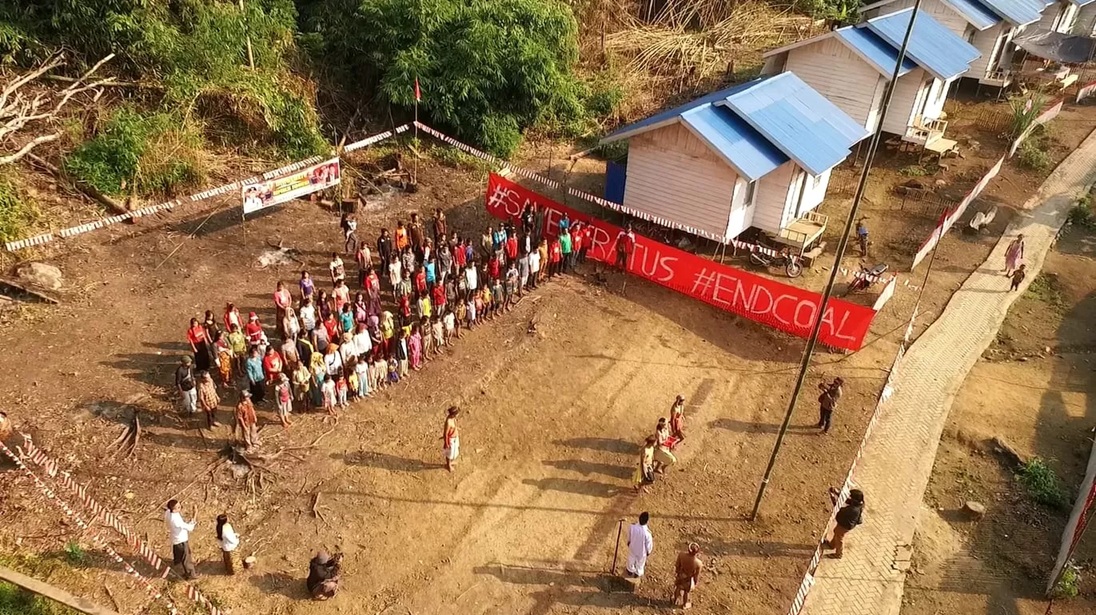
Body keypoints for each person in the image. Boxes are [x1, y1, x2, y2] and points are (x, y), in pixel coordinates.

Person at [824, 488, 865, 559]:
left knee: (839, 538)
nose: (849, 497)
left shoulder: (852, 510)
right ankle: (832, 545)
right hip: (845, 522)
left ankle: (838, 554)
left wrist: (833, 499)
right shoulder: (859, 503)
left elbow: (839, 509)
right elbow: (848, 500)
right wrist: (837, 493)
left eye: (851, 496)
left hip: (845, 525)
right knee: (836, 532)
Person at [164, 499, 197, 579]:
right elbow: (190, 528)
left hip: (175, 538)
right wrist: (195, 513)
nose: (180, 508)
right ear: (174, 509)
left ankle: (181, 565)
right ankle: (190, 575)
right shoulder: (176, 521)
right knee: (186, 559)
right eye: (178, 507)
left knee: (181, 556)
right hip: (181, 541)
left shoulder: (168, 513)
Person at [674, 543, 703, 609]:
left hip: (681, 575)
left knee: (678, 588)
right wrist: (695, 582)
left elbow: (677, 565)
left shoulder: (681, 555)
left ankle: (675, 600)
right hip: (688, 579)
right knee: (686, 592)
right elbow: (696, 575)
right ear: (697, 552)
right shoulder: (698, 563)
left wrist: (678, 573)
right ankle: (684, 605)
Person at [626, 512, 653, 579]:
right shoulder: (647, 533)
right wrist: (648, 551)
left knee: (631, 559)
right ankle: (638, 573)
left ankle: (630, 570)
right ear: (647, 521)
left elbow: (629, 535)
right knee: (640, 563)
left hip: (633, 547)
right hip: (642, 551)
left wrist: (629, 542)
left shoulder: (632, 527)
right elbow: (649, 544)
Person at [442, 406, 460, 472]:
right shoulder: (448, 422)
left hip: (455, 438)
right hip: (451, 440)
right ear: (453, 415)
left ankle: (450, 463)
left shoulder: (453, 418)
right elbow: (446, 434)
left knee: (453, 452)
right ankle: (448, 465)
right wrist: (447, 443)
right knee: (449, 453)